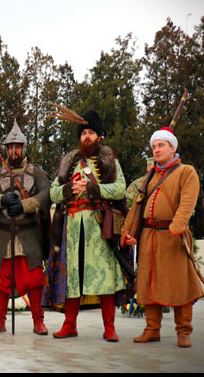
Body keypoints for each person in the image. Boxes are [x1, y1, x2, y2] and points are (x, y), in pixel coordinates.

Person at [49, 110, 127, 342]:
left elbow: (120, 189)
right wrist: (67, 190)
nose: (87, 137)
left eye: (91, 132)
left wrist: (93, 188)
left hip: (99, 227)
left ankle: (109, 328)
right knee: (73, 278)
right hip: (72, 229)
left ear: (99, 136)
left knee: (104, 278)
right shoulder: (68, 162)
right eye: (84, 133)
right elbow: (53, 194)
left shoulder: (109, 161)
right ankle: (69, 325)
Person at [122, 127, 203, 348]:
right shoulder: (149, 176)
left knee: (180, 284)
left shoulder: (186, 172)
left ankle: (183, 332)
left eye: (161, 146)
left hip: (173, 236)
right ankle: (152, 329)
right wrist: (127, 232)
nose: (156, 150)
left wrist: (178, 225)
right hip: (149, 236)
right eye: (154, 146)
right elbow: (136, 206)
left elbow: (188, 200)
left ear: (172, 148)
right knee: (149, 284)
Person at [0, 120, 50, 335]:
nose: (14, 151)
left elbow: (45, 195)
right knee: (1, 277)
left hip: (28, 233)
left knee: (33, 278)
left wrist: (23, 204)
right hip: (3, 233)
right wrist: (2, 201)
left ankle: (38, 321)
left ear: (23, 148)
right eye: (10, 148)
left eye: (17, 147)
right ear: (7, 150)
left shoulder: (36, 173)